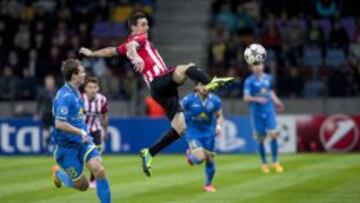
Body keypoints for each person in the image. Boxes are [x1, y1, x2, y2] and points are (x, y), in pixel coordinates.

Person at [79, 12, 234, 177]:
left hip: (160, 91)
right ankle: (210, 83)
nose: (147, 27)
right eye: (143, 24)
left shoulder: (127, 44)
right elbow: (132, 47)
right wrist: (137, 57)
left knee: (180, 128)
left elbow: (112, 51)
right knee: (186, 68)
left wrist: (93, 53)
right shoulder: (139, 40)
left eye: (147, 24)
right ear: (133, 27)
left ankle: (149, 153)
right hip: (158, 80)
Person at [51, 59, 111, 203]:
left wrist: (84, 132)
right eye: (82, 71)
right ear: (74, 75)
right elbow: (59, 123)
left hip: (82, 141)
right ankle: (58, 174)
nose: (85, 74)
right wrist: (80, 131)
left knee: (99, 170)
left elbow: (77, 116)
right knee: (82, 186)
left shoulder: (77, 92)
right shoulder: (64, 97)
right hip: (66, 148)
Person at [181, 83, 223, 192]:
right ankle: (191, 155)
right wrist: (180, 123)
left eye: (207, 85)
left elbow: (219, 115)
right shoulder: (188, 100)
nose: (205, 87)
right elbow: (177, 111)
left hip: (209, 133)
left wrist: (218, 126)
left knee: (209, 158)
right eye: (202, 85)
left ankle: (208, 185)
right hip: (193, 133)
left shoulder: (215, 100)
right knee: (200, 158)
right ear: (196, 87)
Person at [243, 63, 284, 174]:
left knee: (274, 135)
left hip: (269, 110)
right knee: (261, 139)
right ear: (252, 68)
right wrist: (257, 99)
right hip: (257, 112)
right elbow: (246, 97)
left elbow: (270, 92)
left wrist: (277, 101)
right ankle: (264, 163)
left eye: (259, 65)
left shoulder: (268, 78)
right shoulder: (249, 81)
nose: (257, 67)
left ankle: (275, 162)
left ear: (263, 66)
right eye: (254, 65)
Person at [82, 76, 109, 188]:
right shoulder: (79, 99)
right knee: (80, 157)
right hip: (81, 132)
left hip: (95, 131)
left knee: (96, 158)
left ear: (98, 88)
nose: (92, 89)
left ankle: (93, 181)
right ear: (85, 89)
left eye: (95, 87)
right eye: (90, 87)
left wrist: (105, 131)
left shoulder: (102, 99)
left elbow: (105, 116)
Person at [34, 75, 57, 150]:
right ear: (46, 83)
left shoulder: (57, 92)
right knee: (46, 129)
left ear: (53, 82)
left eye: (51, 81)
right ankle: (46, 143)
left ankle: (54, 144)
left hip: (55, 114)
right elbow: (39, 104)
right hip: (46, 114)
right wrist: (37, 113)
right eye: (48, 81)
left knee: (57, 129)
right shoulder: (43, 92)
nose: (50, 83)